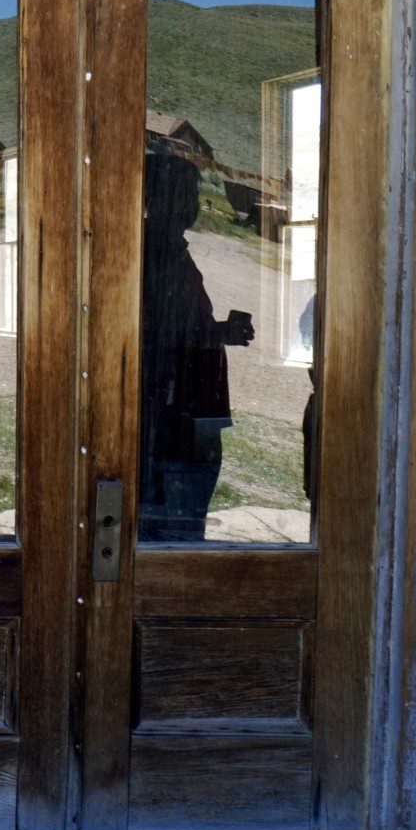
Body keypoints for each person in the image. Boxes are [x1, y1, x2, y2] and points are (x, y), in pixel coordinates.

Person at [138, 150, 254, 542]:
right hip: (177, 414)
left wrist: (222, 332)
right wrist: (216, 334)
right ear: (153, 198)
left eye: (191, 194)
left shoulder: (169, 251)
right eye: (179, 193)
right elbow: (162, 337)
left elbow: (181, 329)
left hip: (193, 408)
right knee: (173, 532)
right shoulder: (151, 256)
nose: (190, 206)